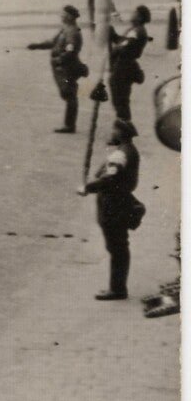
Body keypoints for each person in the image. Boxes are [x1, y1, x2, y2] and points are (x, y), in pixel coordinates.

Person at [81, 118, 143, 301]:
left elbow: (108, 180)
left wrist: (88, 188)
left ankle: (117, 289)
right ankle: (117, 287)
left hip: (113, 206)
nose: (111, 134)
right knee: (118, 247)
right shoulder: (127, 151)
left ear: (120, 133)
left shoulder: (120, 155)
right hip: (118, 203)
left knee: (117, 247)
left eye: (113, 131)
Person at [27, 5, 88, 133]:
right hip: (63, 66)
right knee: (67, 93)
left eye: (64, 14)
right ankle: (69, 124)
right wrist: (37, 46)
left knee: (69, 94)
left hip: (68, 67)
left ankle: (70, 125)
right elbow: (53, 42)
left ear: (70, 17)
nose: (61, 16)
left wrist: (59, 60)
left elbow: (70, 51)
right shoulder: (65, 29)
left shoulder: (72, 32)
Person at [108, 4, 152, 126]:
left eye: (135, 13)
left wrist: (115, 50)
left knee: (120, 99)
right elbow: (121, 42)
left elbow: (125, 48)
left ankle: (124, 130)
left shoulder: (137, 32)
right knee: (120, 99)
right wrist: (112, 34)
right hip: (123, 66)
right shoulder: (134, 30)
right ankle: (123, 128)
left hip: (124, 67)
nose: (132, 14)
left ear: (139, 17)